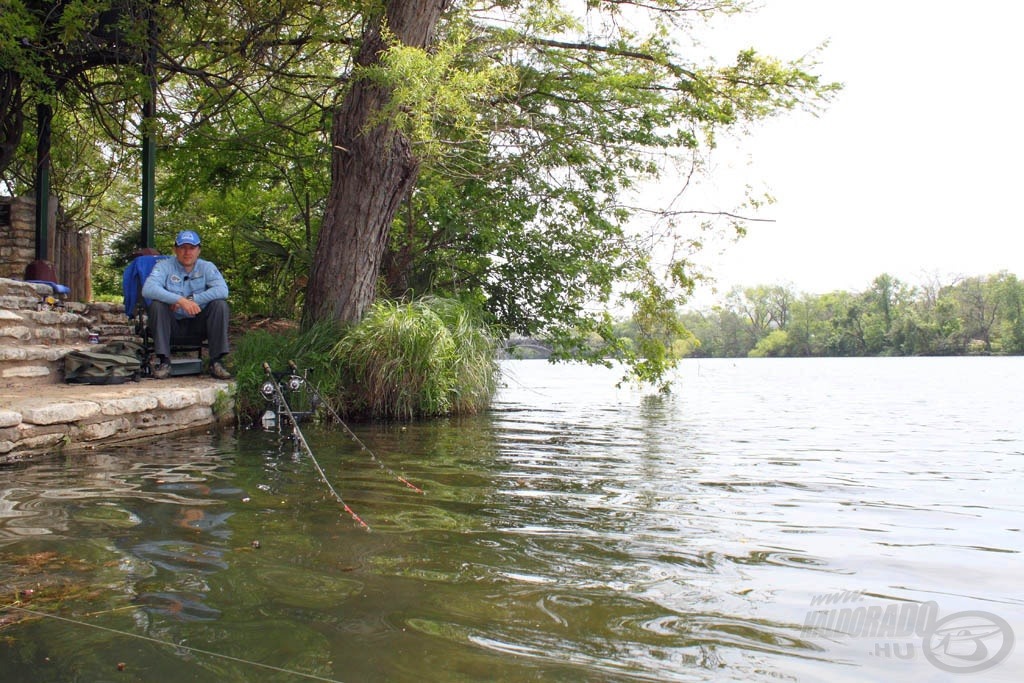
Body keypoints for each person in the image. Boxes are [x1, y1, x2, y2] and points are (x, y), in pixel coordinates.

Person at [141, 230, 232, 379]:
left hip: (198, 324)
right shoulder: (164, 266)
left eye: (192, 248)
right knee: (157, 305)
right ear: (175, 249)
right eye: (183, 247)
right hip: (171, 325)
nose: (187, 252)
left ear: (198, 251)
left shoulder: (207, 267)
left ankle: (216, 362)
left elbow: (222, 290)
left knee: (220, 305)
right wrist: (179, 300)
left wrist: (193, 300)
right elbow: (148, 289)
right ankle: (164, 362)